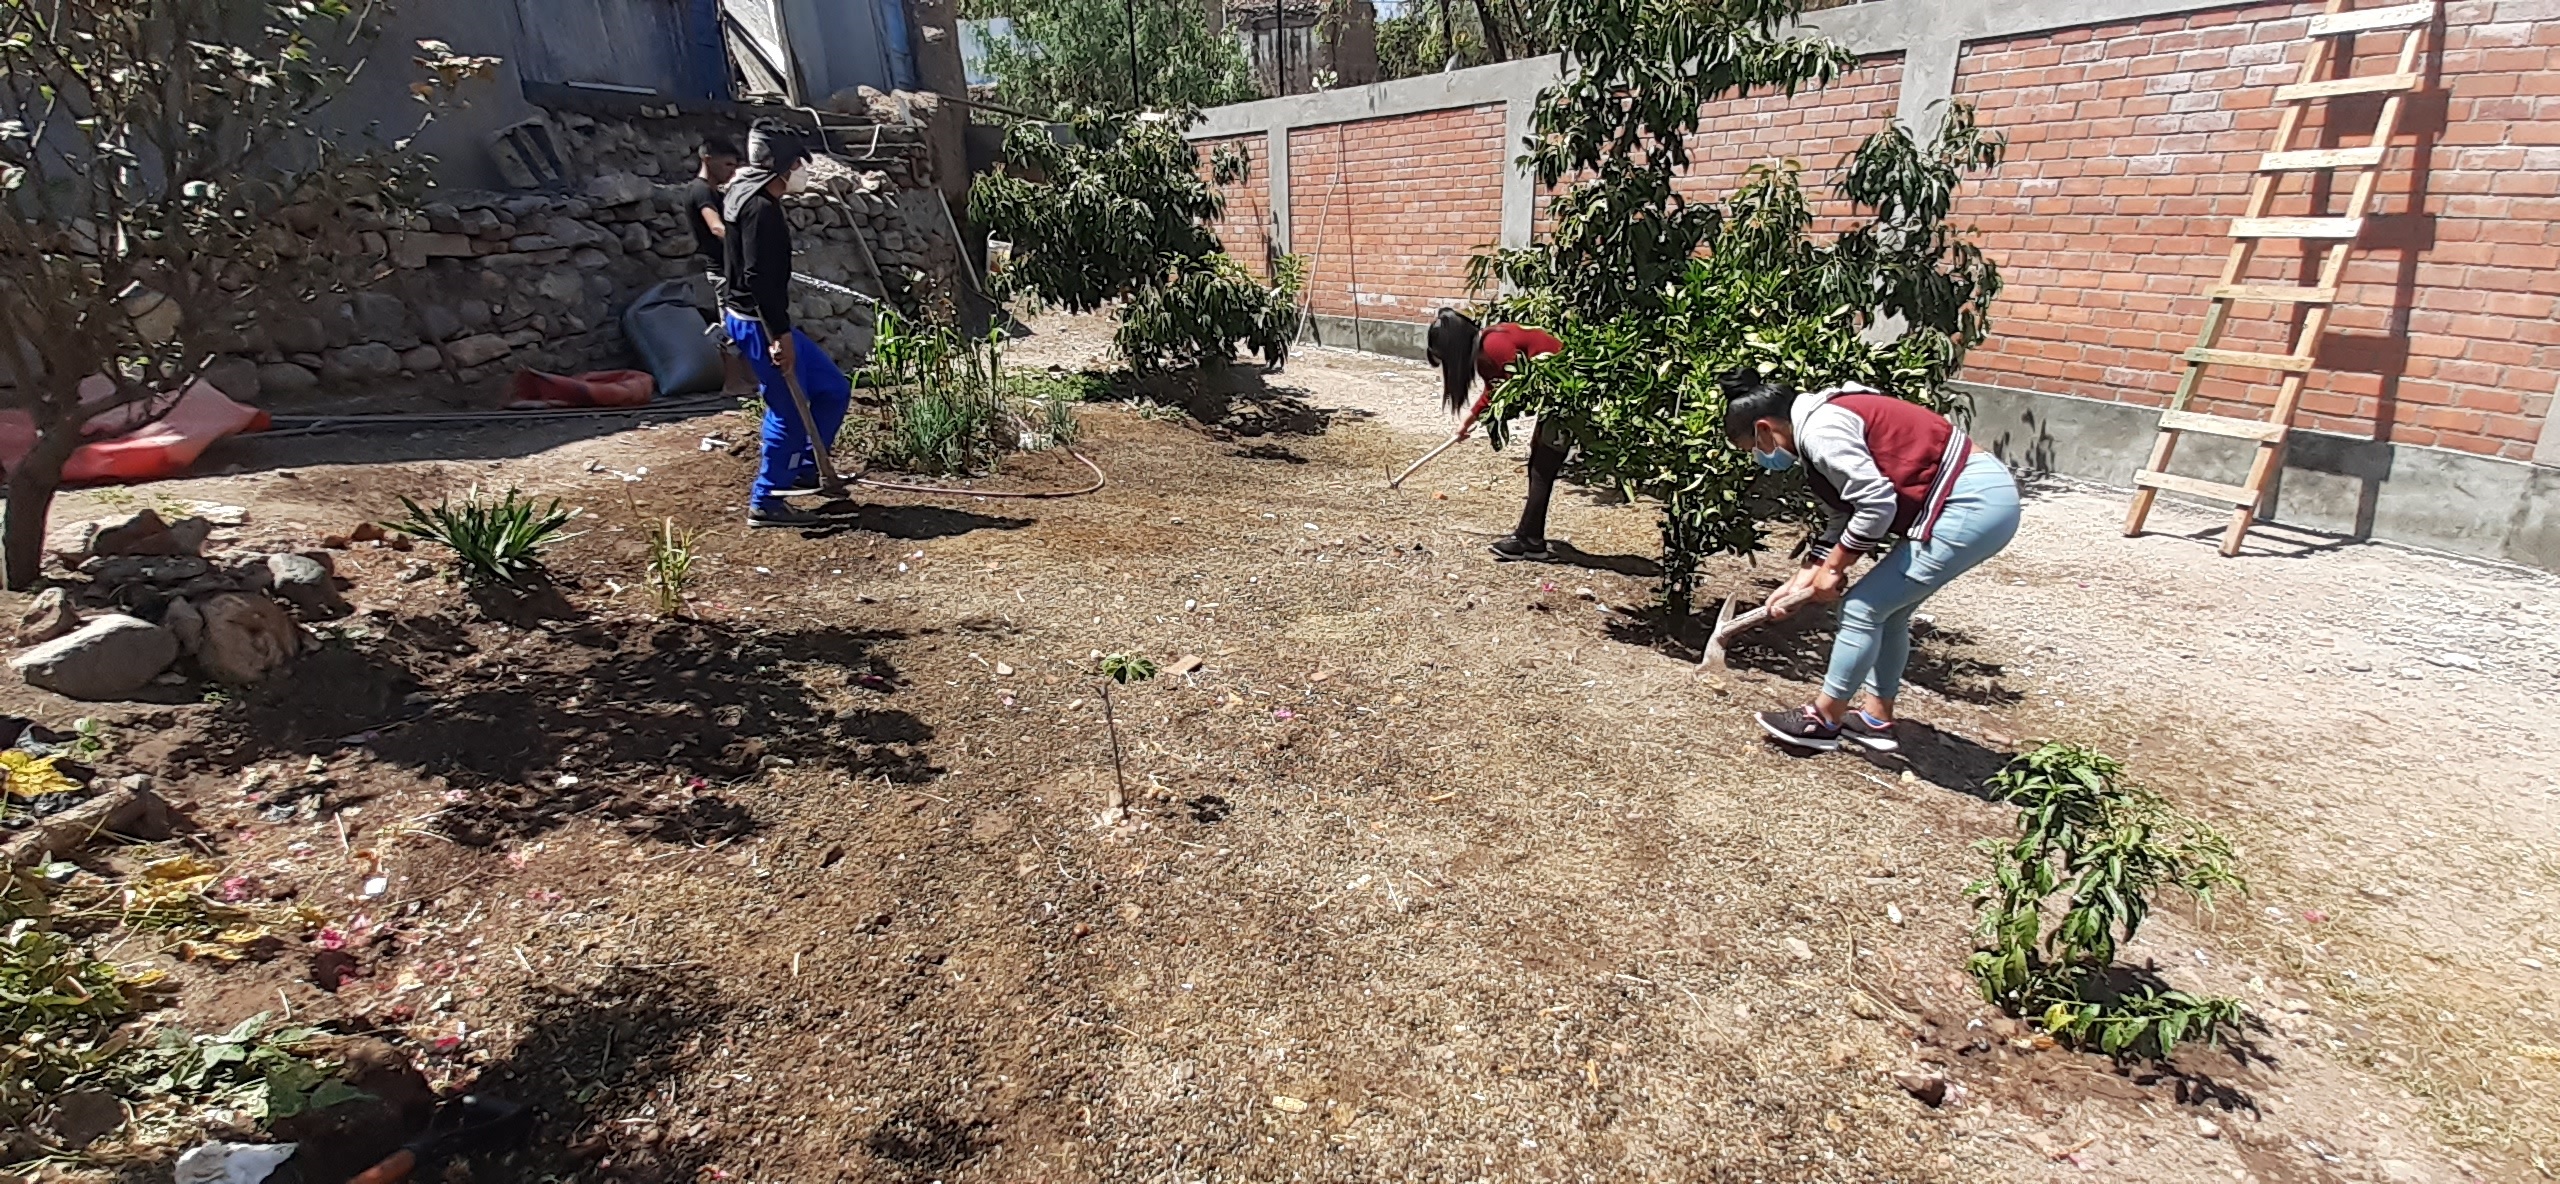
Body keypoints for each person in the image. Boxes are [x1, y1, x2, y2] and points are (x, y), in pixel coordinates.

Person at [1721, 369, 2022, 754]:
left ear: (1764, 429)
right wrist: (1802, 579)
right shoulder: (1817, 422)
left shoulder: (1820, 431)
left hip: (1969, 503)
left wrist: (1834, 569)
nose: (1760, 458)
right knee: (1889, 611)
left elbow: (1877, 504)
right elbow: (1841, 516)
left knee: (1862, 607)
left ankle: (1824, 719)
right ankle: (1875, 719)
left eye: (1753, 448)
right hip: (1981, 499)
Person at [721, 121, 853, 528]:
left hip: (761, 320)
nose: (802, 170)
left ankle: (806, 470)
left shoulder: (748, 197)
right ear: (779, 165)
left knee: (832, 389)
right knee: (789, 407)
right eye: (796, 162)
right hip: (759, 324)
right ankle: (768, 500)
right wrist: (779, 337)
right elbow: (759, 278)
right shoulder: (759, 209)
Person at [1427, 308, 1566, 561]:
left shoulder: (1494, 345)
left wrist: (1474, 418)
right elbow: (1496, 389)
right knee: (1539, 465)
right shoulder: (1489, 341)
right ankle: (1532, 540)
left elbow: (1509, 387)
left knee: (1542, 467)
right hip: (1559, 398)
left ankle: (1529, 540)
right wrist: (1468, 421)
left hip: (1570, 395)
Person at [682, 136, 759, 396]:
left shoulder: (715, 191)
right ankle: (732, 383)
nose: (732, 171)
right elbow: (716, 226)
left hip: (730, 268)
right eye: (727, 164)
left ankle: (749, 379)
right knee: (730, 327)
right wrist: (745, 244)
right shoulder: (701, 190)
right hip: (721, 270)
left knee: (744, 324)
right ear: (707, 159)